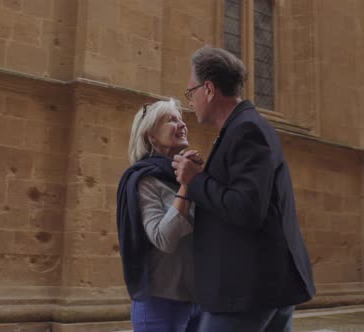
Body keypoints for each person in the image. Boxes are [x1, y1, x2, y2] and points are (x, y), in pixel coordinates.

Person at [172, 46, 316, 332]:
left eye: (191, 92)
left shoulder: (246, 129)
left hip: (247, 290)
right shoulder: (242, 127)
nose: (191, 102)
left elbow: (247, 207)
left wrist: (195, 180)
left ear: (209, 89)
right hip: (263, 286)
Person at [117, 99, 203, 332]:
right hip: (160, 303)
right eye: (172, 120)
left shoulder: (187, 174)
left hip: (200, 300)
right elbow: (163, 238)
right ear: (151, 136)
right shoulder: (144, 180)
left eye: (181, 118)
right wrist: (186, 187)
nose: (182, 124)